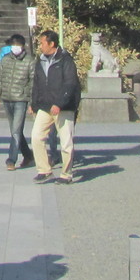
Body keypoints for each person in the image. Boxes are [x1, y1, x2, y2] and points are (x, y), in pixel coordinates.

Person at [29, 31, 81, 184]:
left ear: (51, 44)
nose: (40, 46)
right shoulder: (41, 60)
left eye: (42, 43)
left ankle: (66, 174)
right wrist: (34, 103)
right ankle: (44, 170)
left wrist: (60, 103)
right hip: (45, 106)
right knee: (36, 136)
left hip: (63, 107)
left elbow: (70, 84)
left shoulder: (65, 60)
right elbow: (37, 83)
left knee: (66, 142)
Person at [0, 33, 36, 170]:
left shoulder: (29, 61)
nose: (15, 48)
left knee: (16, 130)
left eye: (18, 45)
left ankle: (11, 159)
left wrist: (31, 102)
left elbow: (33, 82)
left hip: (21, 99)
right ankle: (28, 155)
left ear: (23, 47)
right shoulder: (5, 60)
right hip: (7, 98)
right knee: (15, 131)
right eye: (13, 45)